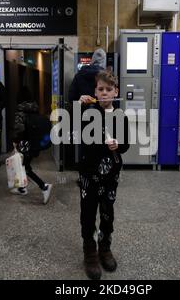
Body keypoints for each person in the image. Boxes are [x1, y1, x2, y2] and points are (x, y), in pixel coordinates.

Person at [76, 71, 129, 280]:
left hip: (110, 176)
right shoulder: (89, 111)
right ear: (95, 92)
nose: (105, 93)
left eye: (109, 89)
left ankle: (105, 247)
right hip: (89, 174)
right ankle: (89, 251)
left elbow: (125, 144)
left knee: (107, 212)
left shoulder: (120, 116)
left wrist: (119, 145)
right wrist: (81, 107)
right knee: (88, 214)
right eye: (100, 89)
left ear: (116, 92)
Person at [12, 101, 53, 204]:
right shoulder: (36, 114)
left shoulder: (20, 114)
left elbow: (19, 130)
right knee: (23, 166)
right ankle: (21, 188)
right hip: (35, 144)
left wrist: (15, 142)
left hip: (27, 145)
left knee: (25, 168)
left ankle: (44, 186)